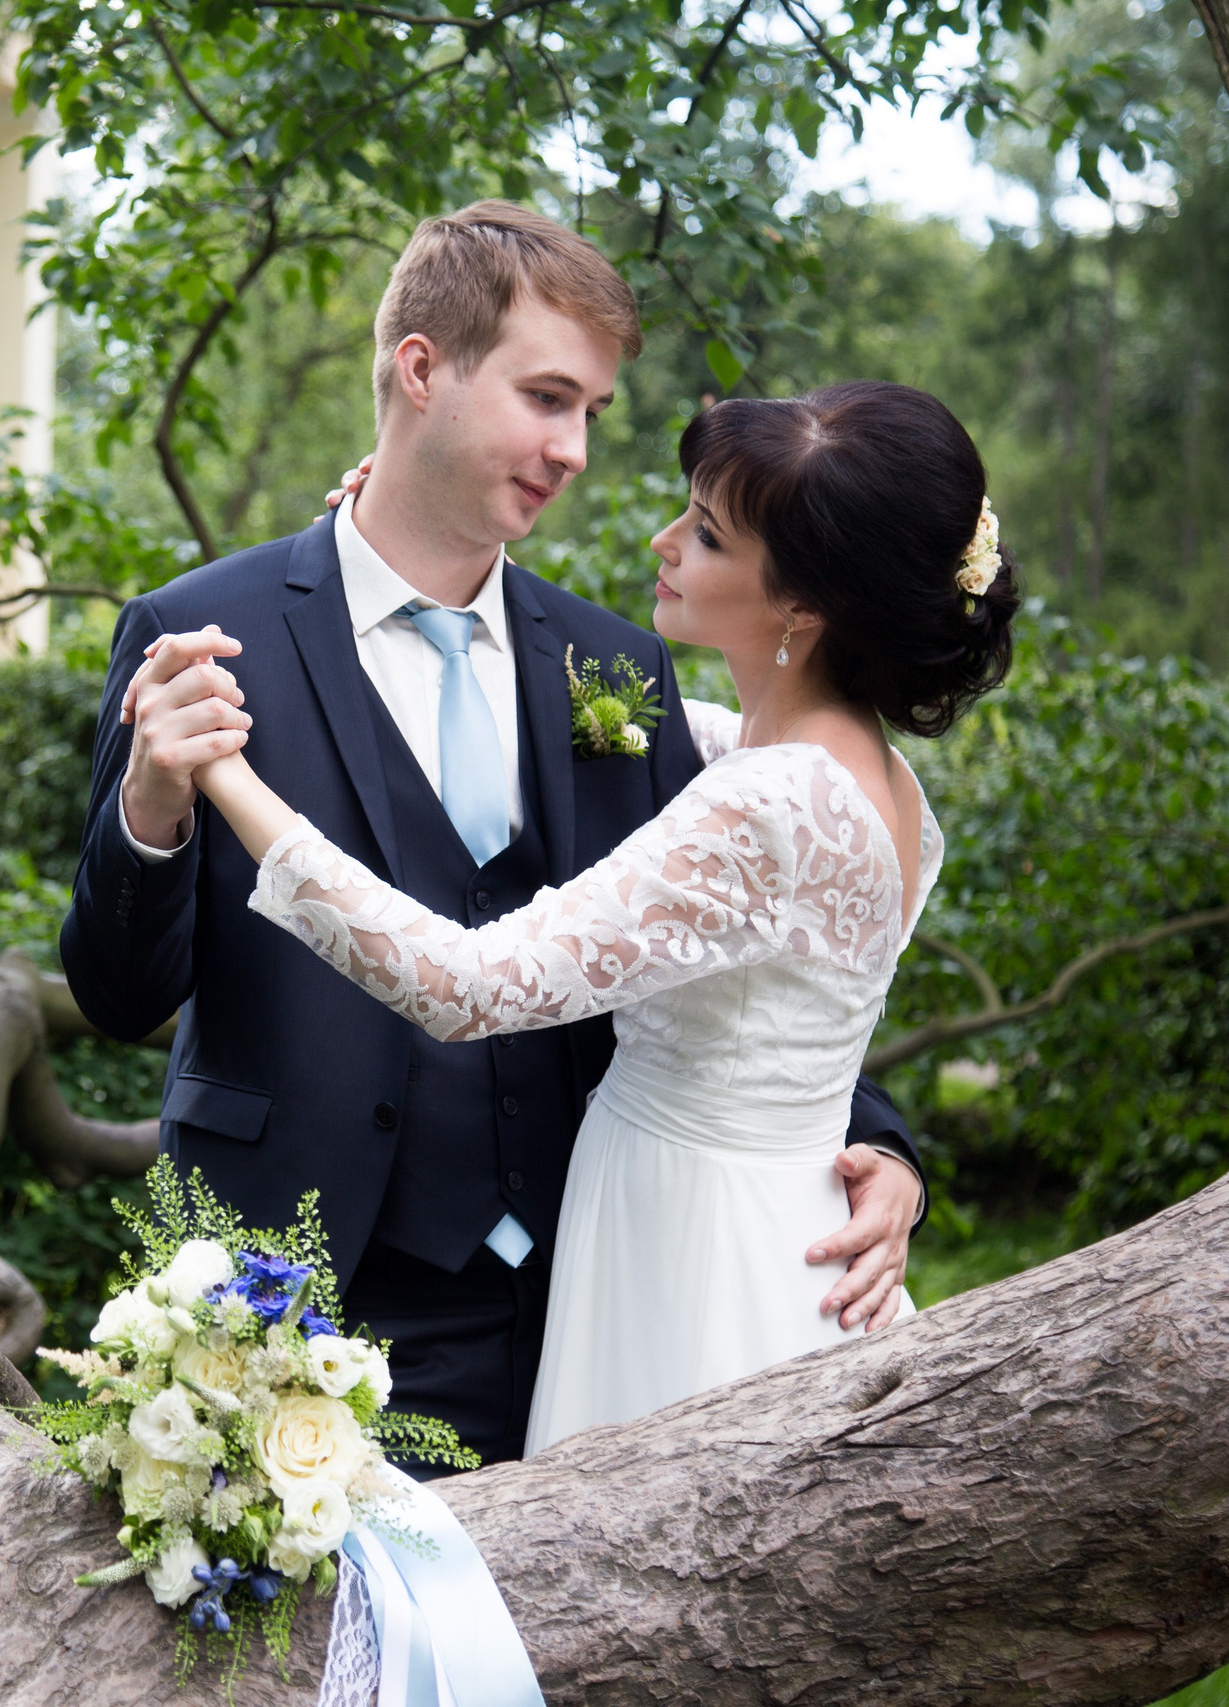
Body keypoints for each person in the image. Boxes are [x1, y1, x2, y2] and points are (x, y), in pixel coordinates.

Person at [57, 200, 933, 1465]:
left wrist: (878, 1140)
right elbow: (114, 988)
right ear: (423, 371)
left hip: (584, 1299)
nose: (573, 448)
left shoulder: (617, 665)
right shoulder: (199, 633)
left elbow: (755, 942)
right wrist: (152, 804)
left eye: (588, 413)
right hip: (298, 1291)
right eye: (545, 398)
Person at [165, 379, 1018, 1449]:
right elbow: (606, 716)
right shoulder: (862, 776)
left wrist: (235, 783)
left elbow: (466, 986)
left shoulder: (769, 800)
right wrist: (399, 549)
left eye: (705, 535)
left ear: (804, 607)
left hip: (695, 1253)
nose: (666, 542)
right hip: (778, 1211)